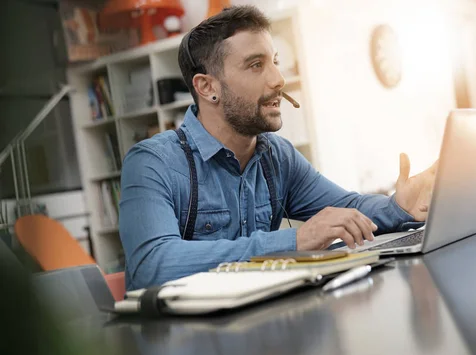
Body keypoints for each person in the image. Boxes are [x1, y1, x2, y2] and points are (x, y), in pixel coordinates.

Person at [119, 5, 437, 290]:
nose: (278, 80)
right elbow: (152, 265)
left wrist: (400, 207)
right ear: (207, 87)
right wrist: (295, 240)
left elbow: (348, 208)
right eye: (256, 65)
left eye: (275, 62)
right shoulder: (152, 162)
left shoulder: (276, 156)